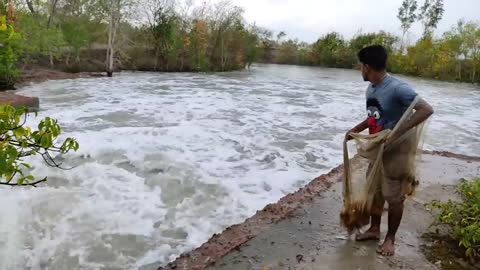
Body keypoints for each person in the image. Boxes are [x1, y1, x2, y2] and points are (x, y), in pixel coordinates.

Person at [346, 45, 434, 256]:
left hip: (397, 150)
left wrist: (395, 133)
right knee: (375, 192)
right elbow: (375, 116)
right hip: (379, 149)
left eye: (361, 66)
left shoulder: (397, 88)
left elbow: (426, 109)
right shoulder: (372, 88)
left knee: (394, 196)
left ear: (367, 67)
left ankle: (390, 239)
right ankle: (375, 230)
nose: (360, 70)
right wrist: (356, 129)